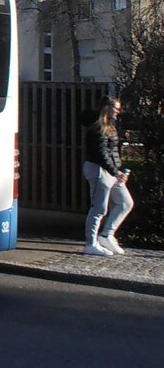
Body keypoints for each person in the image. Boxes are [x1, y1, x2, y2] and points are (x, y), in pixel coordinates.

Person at [81, 96, 134, 256]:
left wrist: (119, 170)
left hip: (111, 172)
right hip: (99, 171)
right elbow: (101, 154)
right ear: (106, 107)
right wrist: (115, 171)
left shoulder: (109, 126)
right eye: (116, 108)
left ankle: (106, 235)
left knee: (125, 203)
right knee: (99, 208)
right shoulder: (98, 127)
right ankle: (91, 244)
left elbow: (112, 152)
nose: (118, 111)